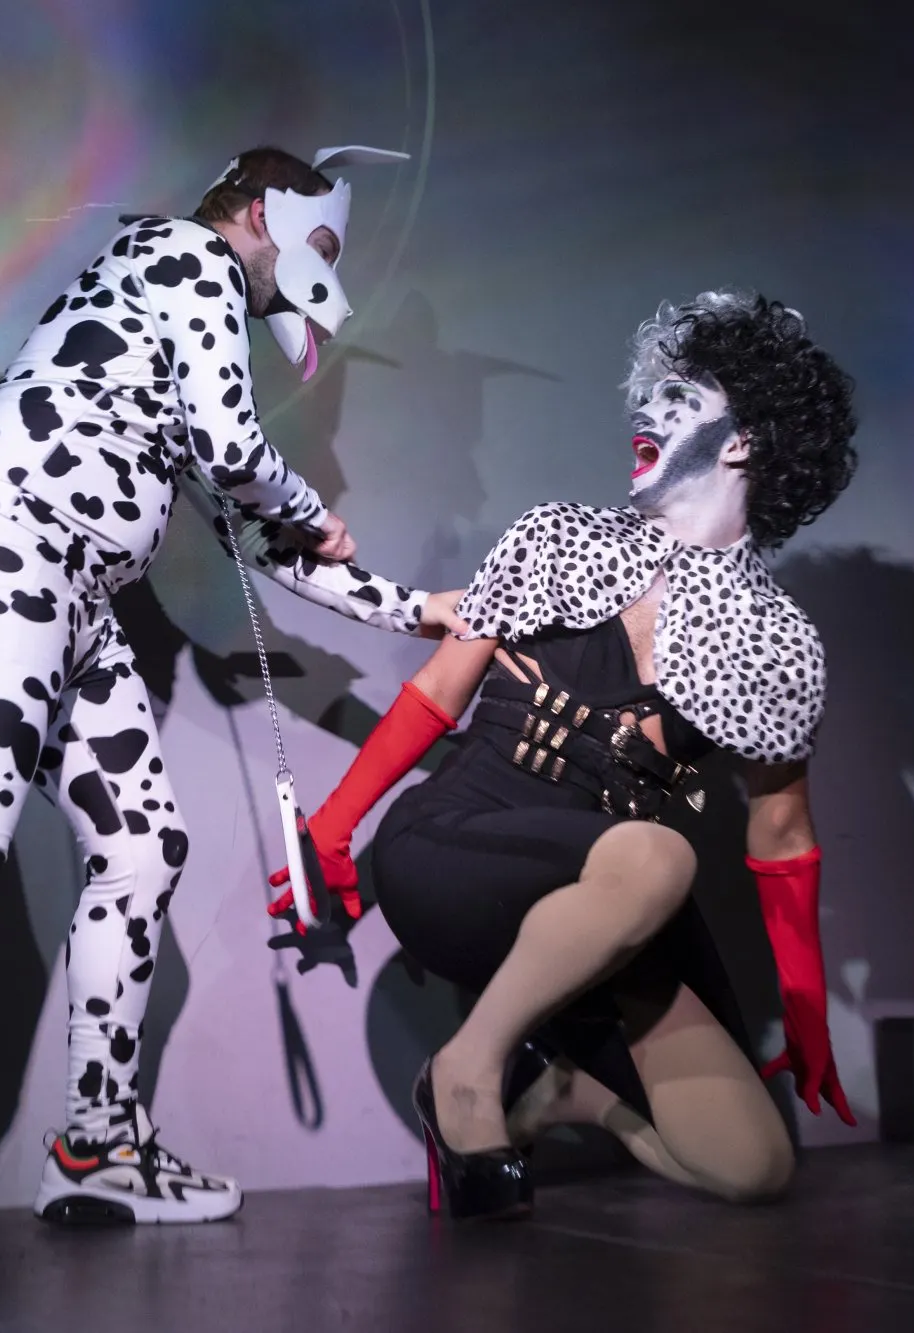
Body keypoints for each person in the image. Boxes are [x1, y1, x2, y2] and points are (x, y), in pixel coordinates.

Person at [0, 145, 465, 1285]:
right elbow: (243, 460)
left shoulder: (164, 329)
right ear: (261, 213)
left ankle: (97, 1148)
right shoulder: (183, 259)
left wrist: (416, 609)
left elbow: (259, 534)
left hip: (72, 589)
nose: (318, 276)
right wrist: (308, 502)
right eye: (320, 243)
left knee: (144, 846)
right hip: (6, 554)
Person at [271, 291, 859, 1218]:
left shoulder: (778, 643)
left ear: (742, 442)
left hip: (609, 905)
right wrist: (334, 831)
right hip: (458, 847)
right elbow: (437, 693)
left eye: (680, 397)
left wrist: (806, 1004)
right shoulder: (558, 535)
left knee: (754, 1165)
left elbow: (781, 833)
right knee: (663, 854)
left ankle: (565, 1093)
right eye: (651, 392)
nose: (647, 410)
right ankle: (465, 1070)